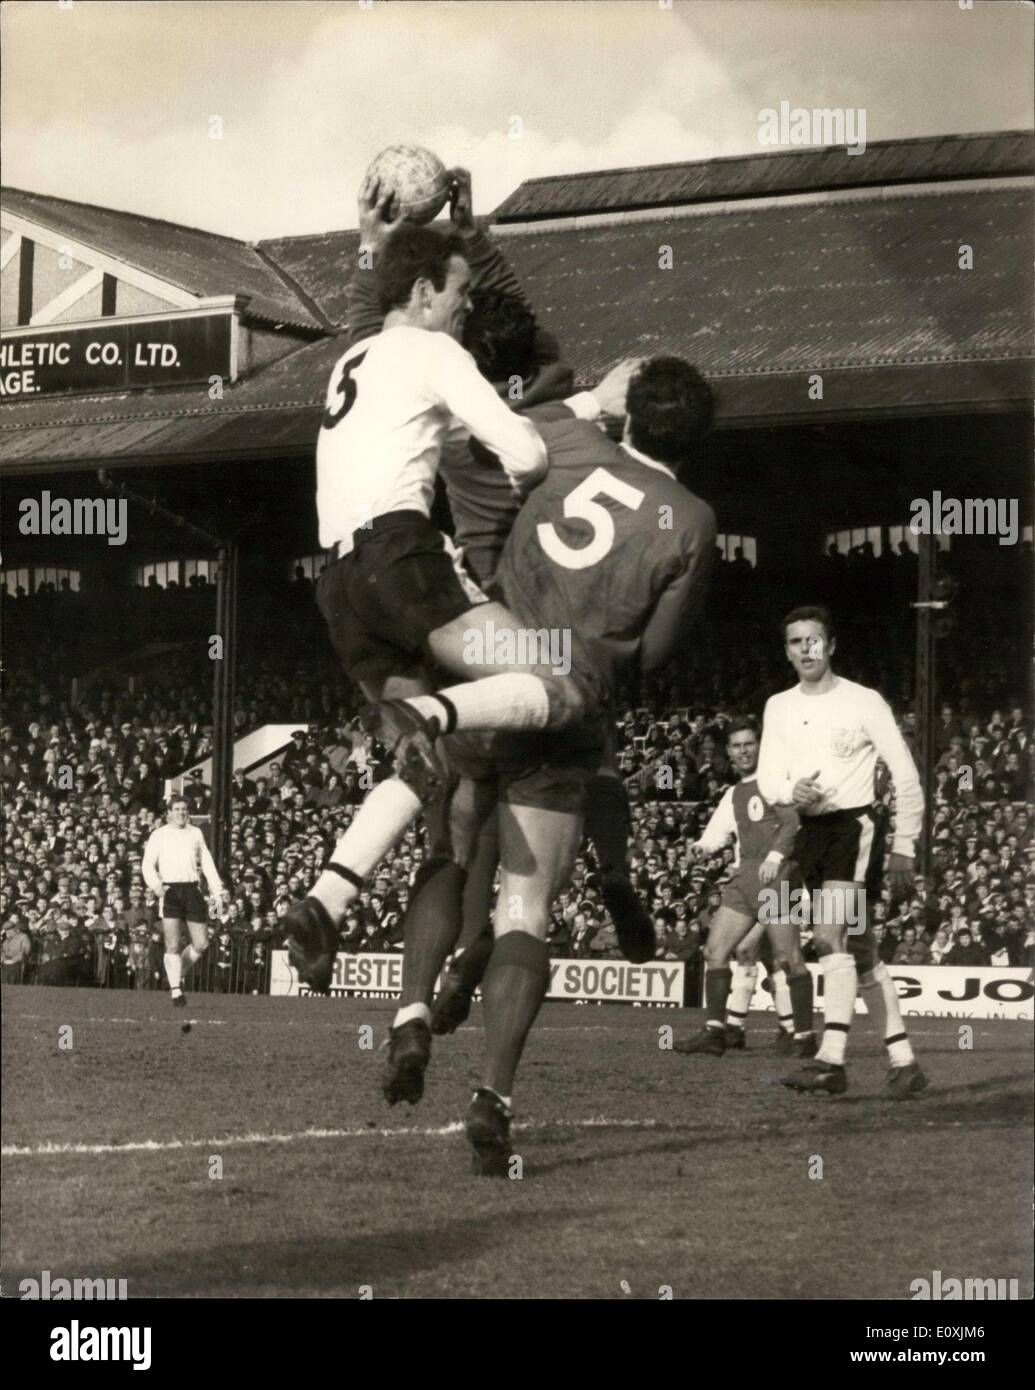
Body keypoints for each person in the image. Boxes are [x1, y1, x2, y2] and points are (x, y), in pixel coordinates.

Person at [383, 356, 717, 1173]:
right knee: (524, 911)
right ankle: (493, 1095)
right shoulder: (693, 519)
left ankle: (411, 1015)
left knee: (447, 855)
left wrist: (578, 400)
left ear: (626, 412)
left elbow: (465, 445)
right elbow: (658, 650)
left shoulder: (569, 437)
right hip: (569, 702)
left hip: (491, 667)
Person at [756, 606, 927, 1099]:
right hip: (811, 833)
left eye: (814, 640)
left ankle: (831, 1060)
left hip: (855, 829)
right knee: (863, 952)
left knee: (829, 938)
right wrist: (792, 792)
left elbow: (906, 774)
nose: (806, 649)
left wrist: (904, 843)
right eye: (795, 642)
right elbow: (769, 778)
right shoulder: (779, 706)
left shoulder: (864, 701)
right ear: (787, 650)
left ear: (831, 646)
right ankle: (903, 1060)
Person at [671, 718, 815, 1059]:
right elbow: (717, 834)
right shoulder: (733, 793)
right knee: (715, 951)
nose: (743, 751)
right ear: (729, 754)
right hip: (745, 878)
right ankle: (715, 1032)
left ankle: (805, 1036)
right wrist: (700, 848)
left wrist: (777, 855)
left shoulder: (777, 782)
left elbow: (794, 821)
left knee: (787, 958)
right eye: (736, 746)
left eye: (749, 743)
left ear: (760, 745)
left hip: (777, 875)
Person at [141, 796, 225, 1012]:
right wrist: (157, 886)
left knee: (201, 943)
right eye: (177, 809)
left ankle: (176, 975)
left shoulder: (195, 832)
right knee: (173, 943)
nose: (181, 813)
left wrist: (217, 890)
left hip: (191, 889)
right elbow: (147, 865)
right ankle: (176, 989)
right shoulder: (159, 834)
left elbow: (206, 861)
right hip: (170, 890)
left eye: (184, 809)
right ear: (169, 812)